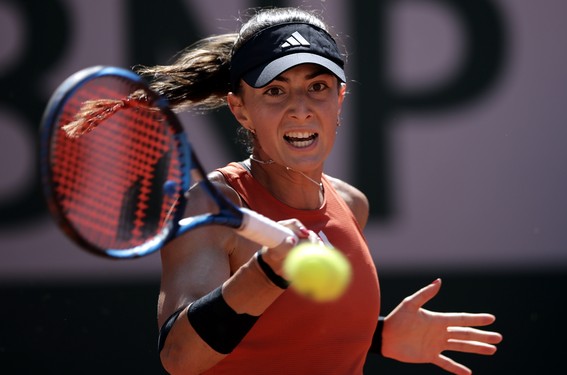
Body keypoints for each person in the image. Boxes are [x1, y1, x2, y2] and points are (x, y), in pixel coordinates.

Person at [136, 7, 503, 375]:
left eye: (317, 87)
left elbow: (285, 334)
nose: (300, 109)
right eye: (276, 91)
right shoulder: (209, 207)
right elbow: (179, 356)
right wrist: (265, 274)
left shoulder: (351, 203)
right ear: (241, 109)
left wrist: (376, 336)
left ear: (339, 100)